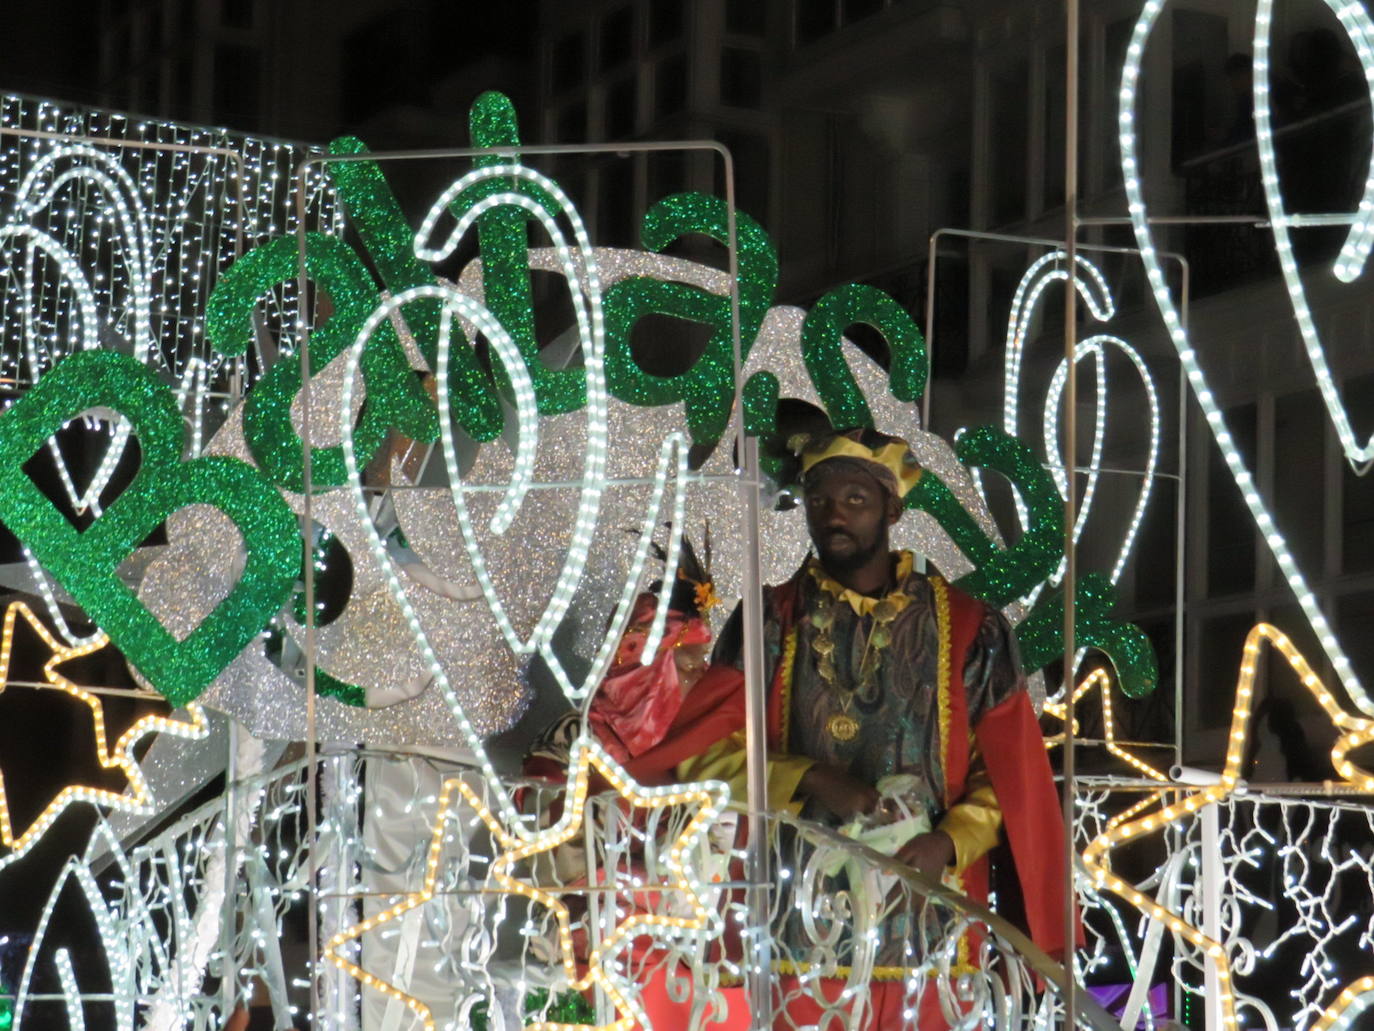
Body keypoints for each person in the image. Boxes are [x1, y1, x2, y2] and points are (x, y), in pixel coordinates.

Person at [697, 427, 1074, 993]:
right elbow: (703, 756)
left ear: (892, 509)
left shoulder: (972, 629)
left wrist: (948, 843)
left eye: (855, 500)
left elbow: (1012, 778)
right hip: (793, 933)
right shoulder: (767, 620)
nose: (833, 516)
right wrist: (813, 779)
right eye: (819, 501)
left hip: (931, 931)